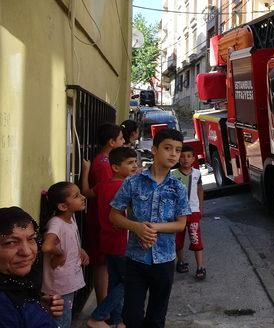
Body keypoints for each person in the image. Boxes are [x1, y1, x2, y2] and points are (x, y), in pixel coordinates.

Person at [110, 128, 191, 327]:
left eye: (178, 150)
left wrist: (153, 228)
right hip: (136, 260)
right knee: (131, 317)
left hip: (164, 261)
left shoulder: (178, 187)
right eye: (167, 148)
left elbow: (181, 224)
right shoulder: (133, 182)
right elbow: (114, 215)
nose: (173, 154)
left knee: (156, 318)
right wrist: (136, 227)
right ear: (154, 150)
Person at [81, 147, 139, 328]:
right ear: (114, 167)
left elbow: (85, 192)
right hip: (122, 242)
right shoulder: (126, 188)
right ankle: (98, 316)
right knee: (130, 281)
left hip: (106, 242)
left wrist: (85, 172)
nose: (135, 166)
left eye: (135, 162)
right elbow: (131, 215)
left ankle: (117, 320)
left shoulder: (103, 185)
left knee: (115, 282)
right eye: (130, 163)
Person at [0, 206, 64, 327]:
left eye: (31, 239)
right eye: (11, 242)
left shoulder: (19, 286)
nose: (27, 252)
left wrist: (39, 310)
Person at [41, 182, 90, 328]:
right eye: (76, 196)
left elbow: (70, 239)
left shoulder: (71, 218)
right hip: (59, 285)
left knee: (64, 318)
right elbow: (47, 246)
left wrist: (80, 251)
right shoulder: (56, 223)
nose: (82, 198)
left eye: (80, 194)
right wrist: (60, 254)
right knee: (61, 322)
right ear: (63, 206)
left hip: (67, 280)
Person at [87, 123, 125, 304]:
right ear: (111, 142)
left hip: (104, 220)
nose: (124, 142)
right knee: (102, 264)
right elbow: (107, 195)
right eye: (121, 139)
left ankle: (106, 305)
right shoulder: (104, 165)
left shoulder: (105, 161)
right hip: (104, 221)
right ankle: (104, 306)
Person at [171, 144, 206, 280]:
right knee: (178, 240)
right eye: (182, 156)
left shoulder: (197, 173)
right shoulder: (173, 175)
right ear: (178, 159)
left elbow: (200, 190)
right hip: (178, 214)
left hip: (193, 212)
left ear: (193, 158)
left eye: (189, 156)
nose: (186, 159)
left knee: (196, 239)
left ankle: (200, 267)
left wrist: (201, 208)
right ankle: (181, 261)